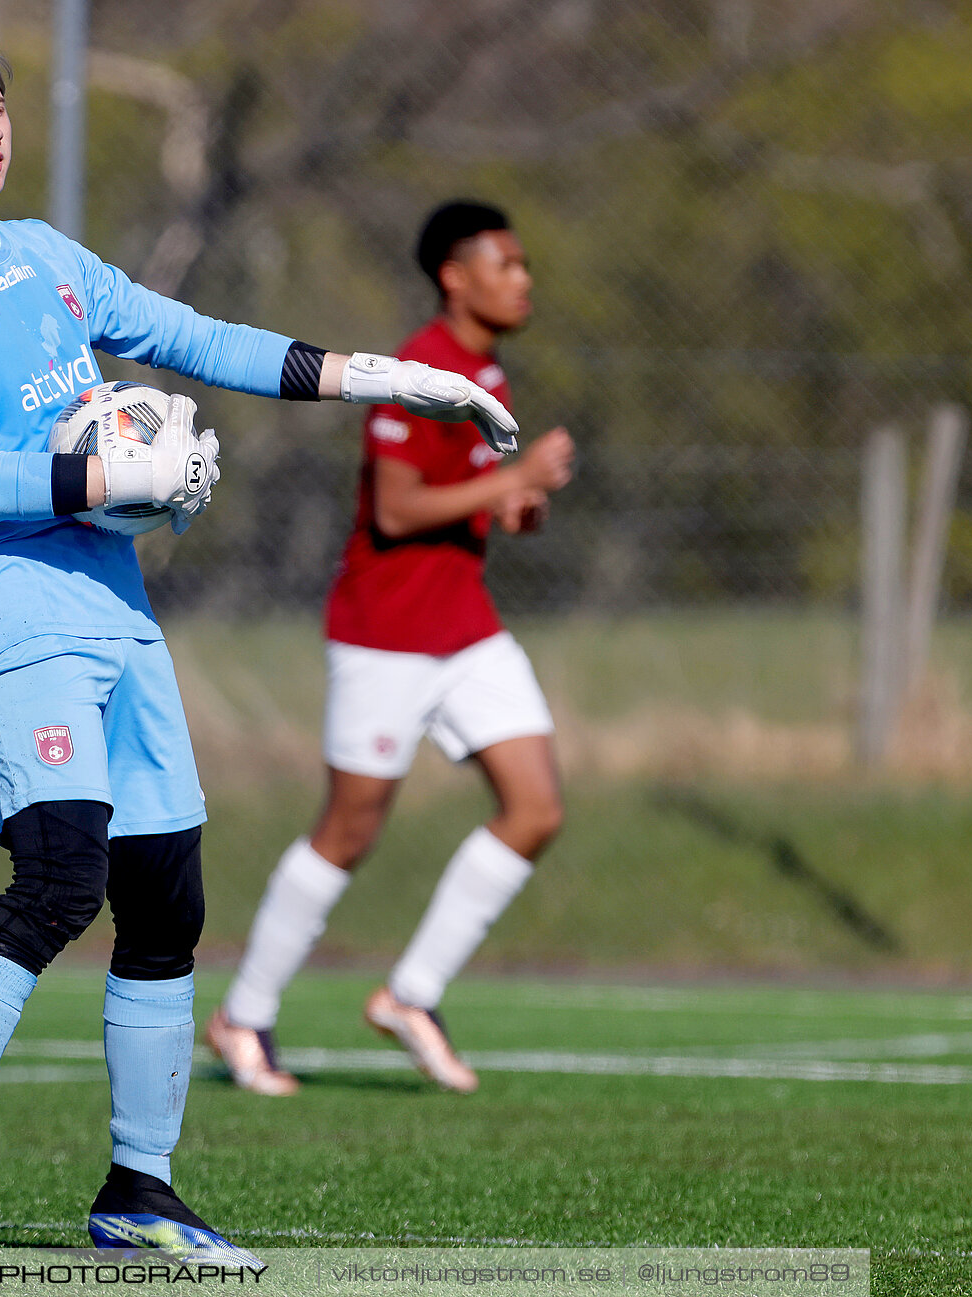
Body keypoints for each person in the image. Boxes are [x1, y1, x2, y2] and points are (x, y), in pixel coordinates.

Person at [0, 34, 521, 1268]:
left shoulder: (48, 257)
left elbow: (197, 336)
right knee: (59, 878)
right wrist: (113, 470)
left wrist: (392, 377)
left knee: (167, 899)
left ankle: (138, 1192)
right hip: (15, 614)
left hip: (117, 613)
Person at [206, 202, 575, 1097]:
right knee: (349, 828)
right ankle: (243, 1015)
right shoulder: (421, 374)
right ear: (456, 275)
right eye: (507, 263)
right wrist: (510, 479)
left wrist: (513, 502)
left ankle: (413, 995)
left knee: (536, 808)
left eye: (525, 264)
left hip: (466, 628)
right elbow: (398, 509)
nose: (523, 279)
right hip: (385, 636)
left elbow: (475, 497)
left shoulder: (487, 373)